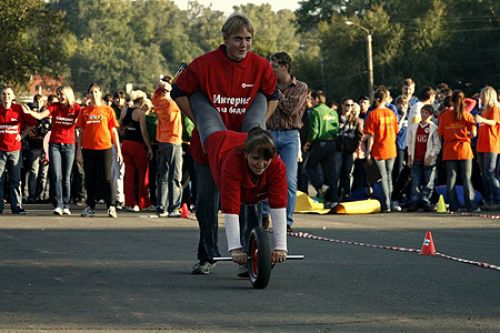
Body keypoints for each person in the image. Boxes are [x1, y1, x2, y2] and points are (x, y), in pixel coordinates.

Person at [172, 13, 278, 275]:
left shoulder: (261, 66)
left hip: (246, 150)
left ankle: (252, 256)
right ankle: (207, 255)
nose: (243, 45)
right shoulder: (204, 64)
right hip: (209, 149)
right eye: (238, 39)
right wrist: (198, 120)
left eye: (248, 39)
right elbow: (177, 92)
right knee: (208, 201)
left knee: (249, 200)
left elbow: (273, 96)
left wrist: (259, 127)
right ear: (226, 39)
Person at [262, 51, 308, 230]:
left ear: (285, 67)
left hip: (290, 136)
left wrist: (274, 93)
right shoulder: (266, 84)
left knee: (289, 179)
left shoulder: (301, 87)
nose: (270, 70)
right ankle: (264, 214)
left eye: (273, 67)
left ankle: (286, 221)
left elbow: (291, 108)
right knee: (265, 175)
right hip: (269, 133)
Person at [23, 86, 81, 215]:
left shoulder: (76, 107)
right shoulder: (54, 106)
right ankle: (58, 205)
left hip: (69, 145)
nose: (59, 97)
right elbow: (40, 116)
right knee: (56, 176)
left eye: (62, 94)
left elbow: (82, 121)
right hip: (54, 145)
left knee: (66, 177)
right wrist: (30, 112)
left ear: (68, 95)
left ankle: (66, 204)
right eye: (58, 94)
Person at [76, 83, 122, 218]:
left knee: (107, 177)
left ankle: (111, 206)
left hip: (105, 148)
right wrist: (79, 151)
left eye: (96, 92)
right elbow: (81, 132)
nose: (94, 94)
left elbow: (113, 131)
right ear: (88, 94)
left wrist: (118, 150)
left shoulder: (108, 110)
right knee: (90, 178)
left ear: (100, 93)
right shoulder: (84, 111)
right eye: (91, 92)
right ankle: (90, 206)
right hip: (88, 149)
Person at [438, 90, 479, 212]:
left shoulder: (444, 116)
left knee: (451, 178)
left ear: (451, 101)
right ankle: (471, 205)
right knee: (466, 178)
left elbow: (441, 133)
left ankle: (453, 206)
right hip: (464, 149)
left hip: (450, 149)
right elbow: (473, 133)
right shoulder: (467, 115)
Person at [0, 86, 37, 214]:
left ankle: (16, 207)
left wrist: (21, 136)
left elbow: (31, 123)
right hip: (0, 150)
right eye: (4, 94)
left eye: (9, 94)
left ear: (13, 96)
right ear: (1, 96)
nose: (6, 97)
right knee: (0, 179)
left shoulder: (18, 109)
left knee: (15, 180)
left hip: (15, 150)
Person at [363, 86, 398, 212]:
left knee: (383, 177)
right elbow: (396, 131)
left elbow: (370, 135)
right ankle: (390, 202)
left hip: (379, 148)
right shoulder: (391, 113)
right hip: (391, 148)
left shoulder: (373, 114)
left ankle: (386, 204)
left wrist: (367, 152)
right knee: (389, 176)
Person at [152, 77, 183, 217]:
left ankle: (161, 206)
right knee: (175, 176)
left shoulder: (158, 102)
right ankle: (173, 208)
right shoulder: (172, 104)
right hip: (173, 140)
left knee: (163, 176)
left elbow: (155, 94)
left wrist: (160, 87)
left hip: (162, 140)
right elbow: (181, 96)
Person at [304, 90, 340, 209]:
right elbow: (336, 129)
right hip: (331, 143)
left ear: (317, 99)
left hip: (320, 143)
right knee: (330, 172)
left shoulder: (315, 111)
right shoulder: (332, 111)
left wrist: (309, 142)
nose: (311, 102)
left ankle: (320, 186)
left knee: (308, 166)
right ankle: (333, 199)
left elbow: (314, 130)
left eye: (312, 99)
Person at [121, 90, 153, 212]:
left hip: (126, 144)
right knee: (142, 174)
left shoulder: (124, 111)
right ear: (140, 101)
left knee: (129, 174)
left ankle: (129, 202)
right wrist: (149, 147)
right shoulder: (140, 113)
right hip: (137, 145)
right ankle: (143, 203)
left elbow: (121, 128)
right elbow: (144, 132)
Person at [406, 104, 441, 212]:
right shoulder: (413, 127)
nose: (423, 114)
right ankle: (414, 201)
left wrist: (431, 156)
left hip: (428, 159)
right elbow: (410, 142)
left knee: (428, 181)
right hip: (416, 157)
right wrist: (410, 156)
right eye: (422, 112)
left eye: (426, 113)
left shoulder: (433, 128)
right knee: (415, 181)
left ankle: (425, 200)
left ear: (430, 115)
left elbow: (437, 145)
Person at [474, 86, 500, 210]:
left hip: (491, 144)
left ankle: (498, 198)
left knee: (490, 172)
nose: (481, 97)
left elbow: (495, 122)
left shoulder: (494, 108)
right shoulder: (484, 109)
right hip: (482, 144)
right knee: (485, 173)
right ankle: (489, 200)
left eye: (483, 95)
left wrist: (482, 119)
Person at [337, 97, 363, 201]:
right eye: (347, 105)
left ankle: (346, 194)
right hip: (338, 150)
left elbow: (359, 136)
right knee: (337, 173)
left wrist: (356, 150)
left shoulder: (355, 120)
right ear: (342, 105)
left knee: (347, 173)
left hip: (349, 151)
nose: (349, 108)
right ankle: (336, 194)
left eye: (351, 105)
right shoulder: (336, 118)